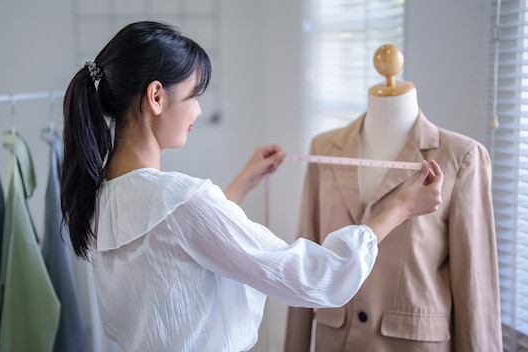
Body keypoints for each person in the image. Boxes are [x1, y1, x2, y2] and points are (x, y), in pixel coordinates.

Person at [60, 22, 444, 352]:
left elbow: (180, 251)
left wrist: (243, 182)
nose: (197, 110)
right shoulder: (179, 200)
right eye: (194, 94)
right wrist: (400, 208)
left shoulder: (100, 199)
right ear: (156, 96)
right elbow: (314, 276)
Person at [285, 45, 501, 351]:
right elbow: (305, 257)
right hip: (334, 339)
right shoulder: (324, 148)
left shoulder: (462, 157)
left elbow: (475, 285)